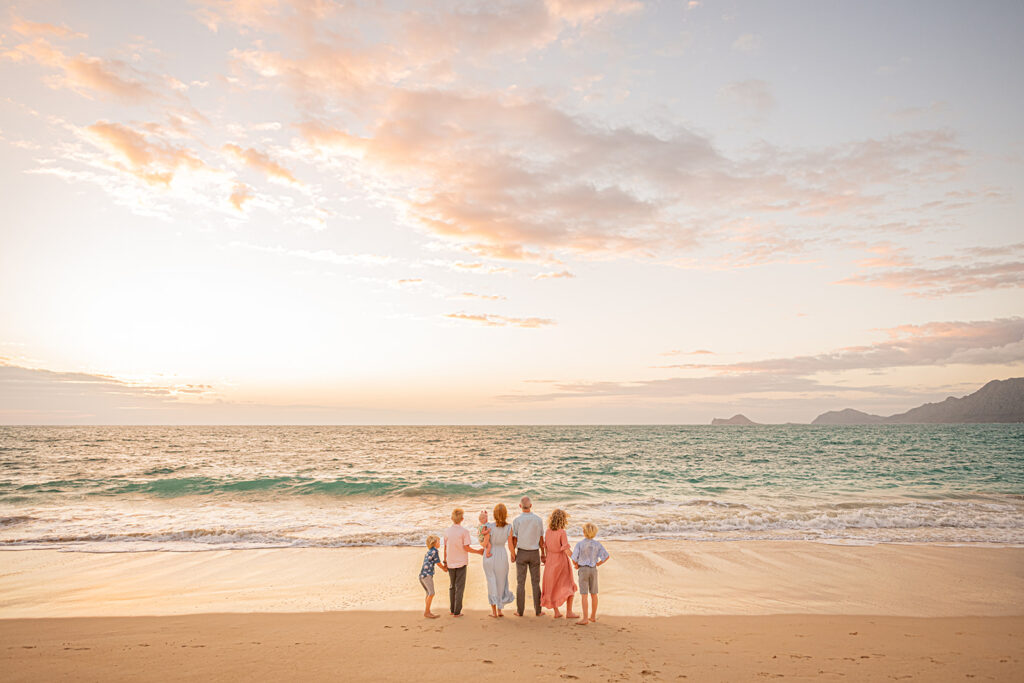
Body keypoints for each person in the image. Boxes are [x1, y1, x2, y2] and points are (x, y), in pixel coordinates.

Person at [510, 495, 546, 617]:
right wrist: (543, 554)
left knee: (521, 583)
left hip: (521, 552)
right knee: (536, 582)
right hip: (534, 552)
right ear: (531, 506)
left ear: (520, 506)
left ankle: (520, 611)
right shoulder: (538, 520)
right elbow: (541, 539)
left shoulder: (516, 520)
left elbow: (514, 540)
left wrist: (513, 553)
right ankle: (538, 611)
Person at [540, 508, 578, 619]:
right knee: (569, 586)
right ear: (563, 520)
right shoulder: (562, 532)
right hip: (560, 561)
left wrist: (546, 559)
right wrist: (575, 560)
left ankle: (557, 612)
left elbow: (546, 546)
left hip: (550, 561)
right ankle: (569, 612)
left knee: (552, 587)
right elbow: (566, 549)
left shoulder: (547, 531)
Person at [443, 507, 482, 617]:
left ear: (452, 518)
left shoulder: (447, 532)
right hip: (461, 563)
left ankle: (452, 609)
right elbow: (466, 548)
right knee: (459, 586)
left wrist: (445, 562)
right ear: (462, 519)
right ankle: (457, 612)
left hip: (450, 562)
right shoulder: (464, 532)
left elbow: (446, 548)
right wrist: (478, 552)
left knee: (452, 586)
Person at [570, 522, 610, 625]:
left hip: (583, 570)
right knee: (594, 594)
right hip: (593, 569)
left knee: (584, 595)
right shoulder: (597, 544)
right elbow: (606, 556)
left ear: (584, 532)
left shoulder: (580, 544)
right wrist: (598, 563)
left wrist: (576, 565)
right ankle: (593, 616)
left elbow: (574, 558)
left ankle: (585, 618)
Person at [480, 503, 515, 617]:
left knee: (491, 582)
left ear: (494, 514)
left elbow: (485, 543)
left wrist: (480, 542)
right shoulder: (509, 527)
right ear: (505, 514)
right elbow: (510, 545)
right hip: (502, 555)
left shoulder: (489, 526)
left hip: (490, 555)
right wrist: (513, 555)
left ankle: (494, 611)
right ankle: (500, 610)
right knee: (501, 582)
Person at [419, 534, 448, 619]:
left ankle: (427, 611)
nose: (440, 543)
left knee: (428, 593)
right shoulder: (435, 551)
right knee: (431, 593)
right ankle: (427, 612)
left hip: (422, 575)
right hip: (427, 575)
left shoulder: (429, 551)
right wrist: (444, 568)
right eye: (438, 541)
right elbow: (438, 562)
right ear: (434, 543)